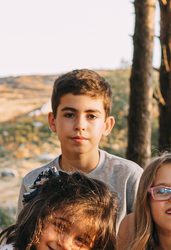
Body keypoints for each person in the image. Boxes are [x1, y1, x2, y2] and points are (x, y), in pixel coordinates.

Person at [18, 69, 143, 221]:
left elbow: (147, 239)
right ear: (52, 121)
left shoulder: (129, 177)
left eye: (91, 116)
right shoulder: (32, 183)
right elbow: (22, 242)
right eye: (69, 115)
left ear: (107, 126)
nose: (79, 125)